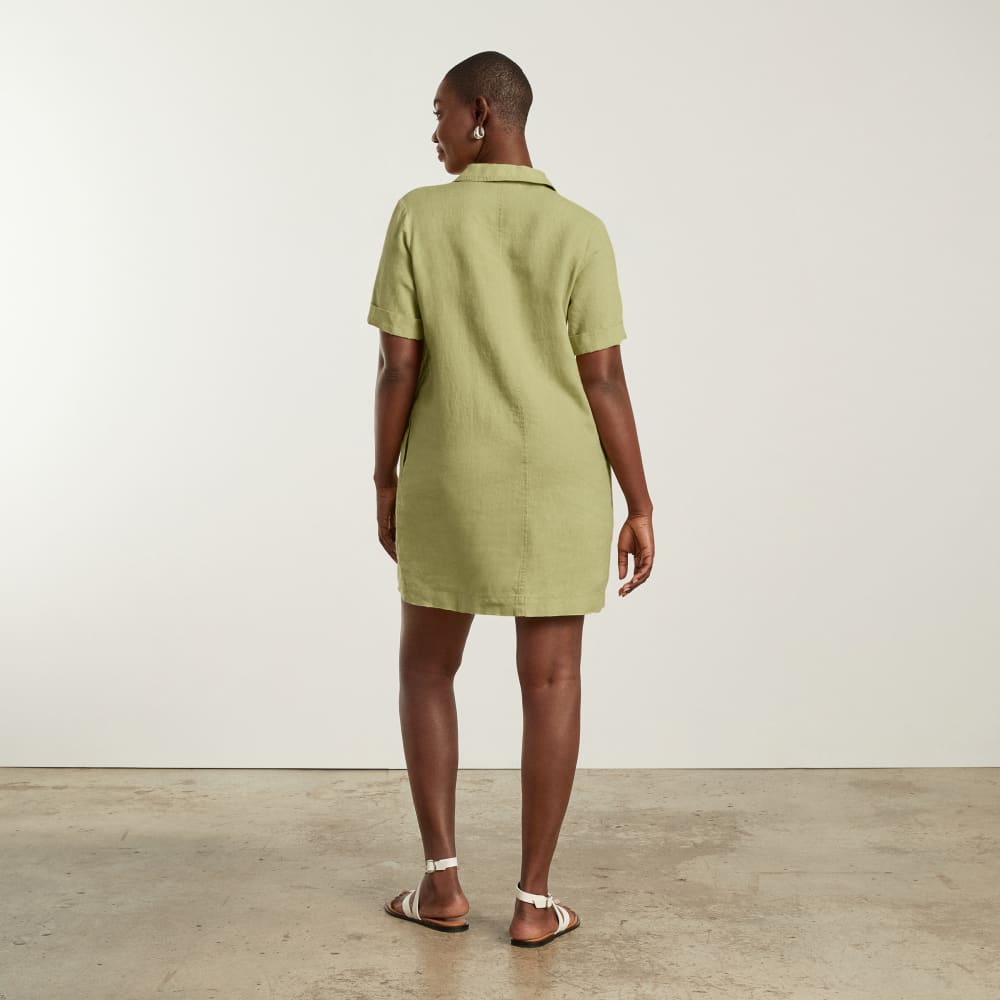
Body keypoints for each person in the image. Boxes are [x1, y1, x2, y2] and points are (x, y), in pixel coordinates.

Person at [366, 51, 654, 948]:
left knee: (426, 670)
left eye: (442, 112)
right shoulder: (580, 230)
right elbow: (603, 380)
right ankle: (534, 902)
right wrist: (640, 503)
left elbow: (398, 366)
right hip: (560, 483)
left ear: (483, 114)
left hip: (450, 475)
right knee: (554, 680)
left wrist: (384, 475)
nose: (435, 132)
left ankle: (442, 885)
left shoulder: (419, 216)